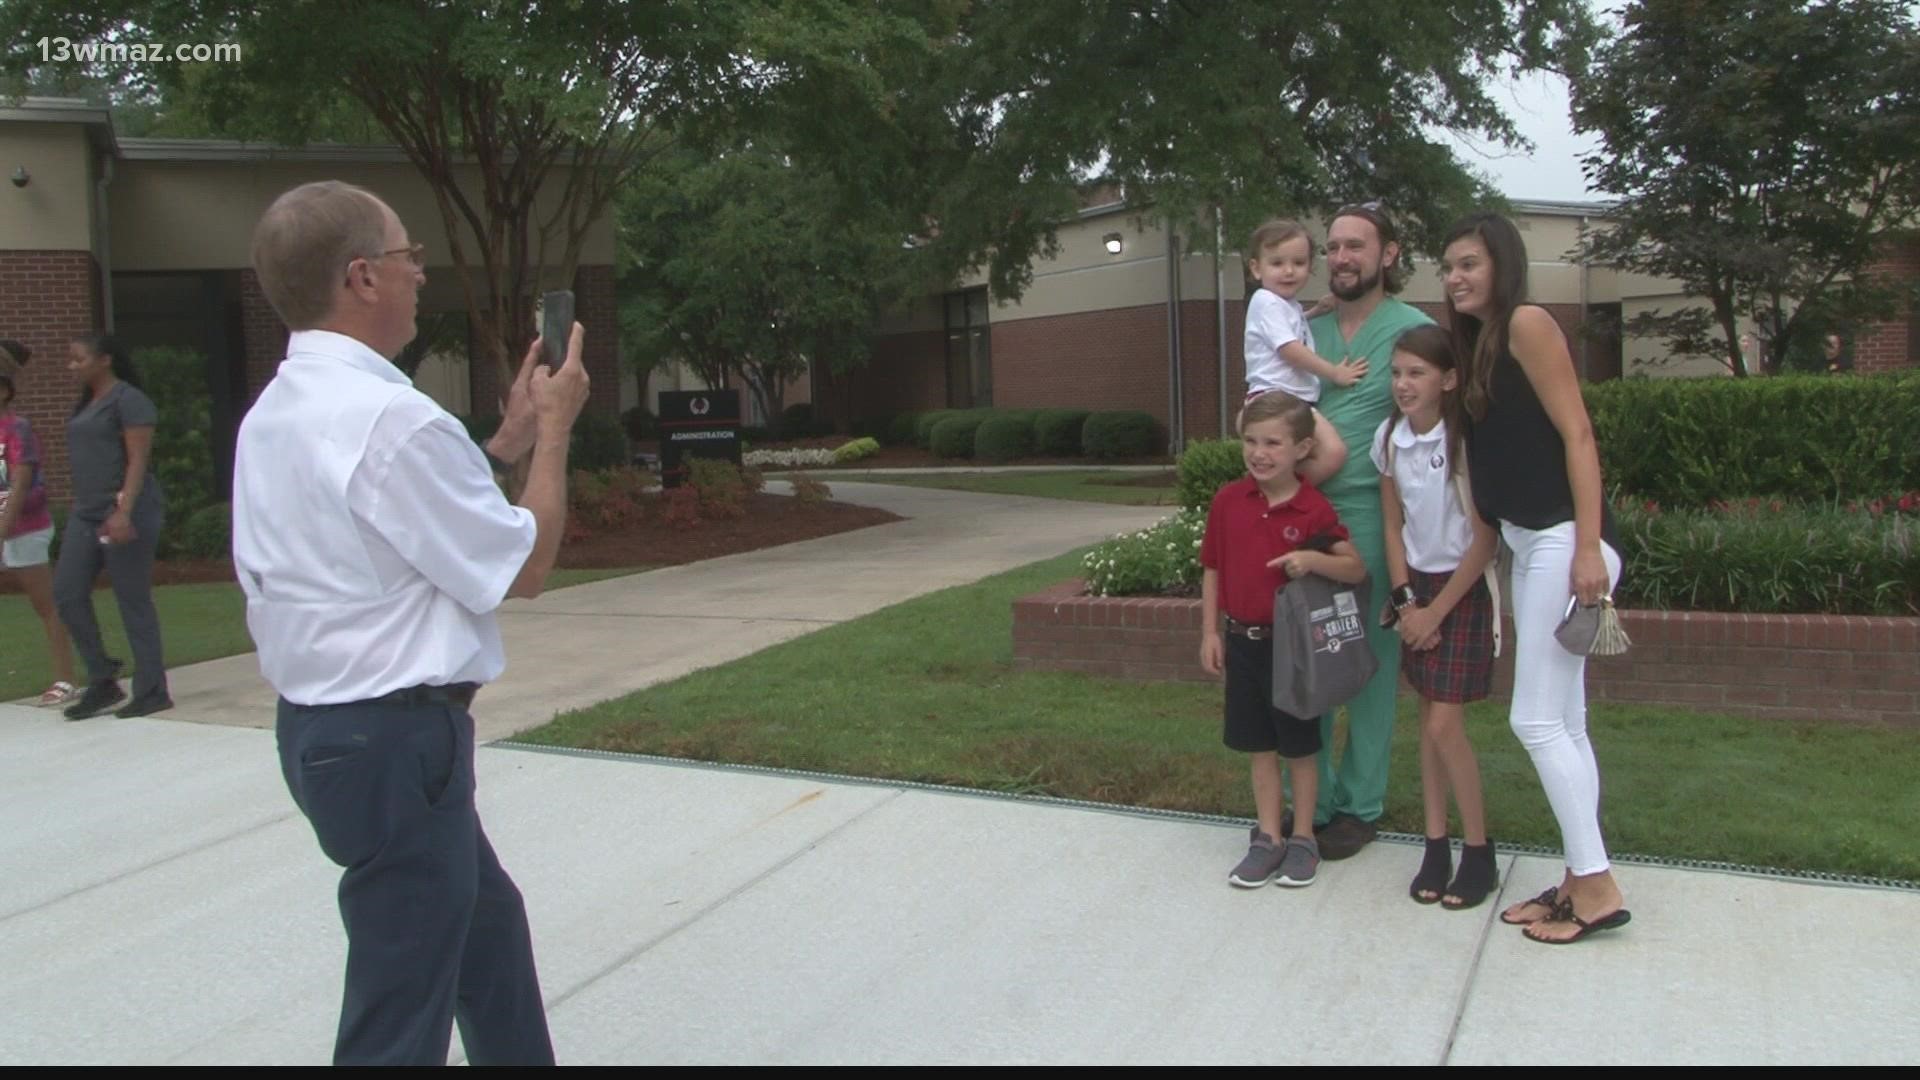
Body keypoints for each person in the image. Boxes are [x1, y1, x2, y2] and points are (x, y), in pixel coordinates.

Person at [234, 180, 589, 1064]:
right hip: (395, 746)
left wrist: (500, 444)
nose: (419, 275)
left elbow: (389, 518)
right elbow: (527, 564)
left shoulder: (279, 411)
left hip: (332, 735)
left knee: (488, 940)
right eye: (408, 257)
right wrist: (554, 432)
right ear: (361, 277)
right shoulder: (391, 417)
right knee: (398, 1017)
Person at [1443, 211, 1632, 945]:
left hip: (1563, 542)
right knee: (1568, 724)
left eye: (1469, 264)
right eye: (1448, 266)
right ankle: (1582, 877)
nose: (1456, 277)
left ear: (1502, 265)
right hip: (1532, 543)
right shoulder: (1484, 343)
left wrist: (1588, 547)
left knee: (1534, 720)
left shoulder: (1526, 323)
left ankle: (1596, 886)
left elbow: (1578, 433)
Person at [1302, 201, 1434, 860]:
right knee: (1312, 658)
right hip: (1303, 516)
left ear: (1387, 255)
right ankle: (1314, 800)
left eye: (1356, 245)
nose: (1342, 258)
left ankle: (1360, 803)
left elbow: (1436, 412)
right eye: (1333, 247)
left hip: (1374, 516)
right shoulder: (1306, 331)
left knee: (1375, 667)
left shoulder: (1412, 329)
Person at [1200, 391, 1367, 890]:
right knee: (1259, 746)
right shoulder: (1229, 501)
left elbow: (1355, 567)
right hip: (1244, 643)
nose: (1259, 453)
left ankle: (1303, 839)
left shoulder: (1310, 507)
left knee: (1300, 747)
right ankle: (1267, 837)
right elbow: (1211, 567)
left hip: (1294, 652)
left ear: (1302, 449)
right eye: (1250, 441)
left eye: (1273, 442)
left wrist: (1313, 561)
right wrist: (1210, 631)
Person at [1371, 325, 1499, 909]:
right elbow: (1391, 525)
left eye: (1416, 373)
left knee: (1447, 725)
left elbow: (1484, 541)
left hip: (1462, 589)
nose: (1403, 384)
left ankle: (1479, 850)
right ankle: (1435, 843)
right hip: (1415, 591)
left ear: (1448, 380)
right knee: (1426, 725)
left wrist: (1436, 611)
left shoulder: (1465, 442)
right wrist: (1404, 601)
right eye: (1397, 372)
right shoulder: (1391, 439)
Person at [53, 332, 170, 720]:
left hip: (124, 508)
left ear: (104, 360)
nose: (72, 366)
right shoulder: (87, 403)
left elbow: (137, 461)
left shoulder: (128, 400)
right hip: (86, 512)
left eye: (78, 359)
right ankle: (103, 680)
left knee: (131, 598)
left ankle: (152, 690)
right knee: (67, 592)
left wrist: (123, 511)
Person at [1242, 219, 1356, 482]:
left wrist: (1314, 312)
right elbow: (1289, 349)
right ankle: (1269, 494)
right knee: (1332, 454)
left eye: (1299, 263)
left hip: (1289, 398)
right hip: (1277, 399)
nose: (1289, 271)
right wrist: (1334, 373)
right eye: (1277, 263)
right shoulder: (1266, 301)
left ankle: (1271, 493)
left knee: (1300, 457)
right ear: (1256, 269)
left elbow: (1284, 331)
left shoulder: (1285, 304)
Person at [0, 339, 79, 706]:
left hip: (24, 530)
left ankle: (65, 678)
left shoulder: (17, 430)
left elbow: (20, 481)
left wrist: (3, 527)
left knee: (45, 604)